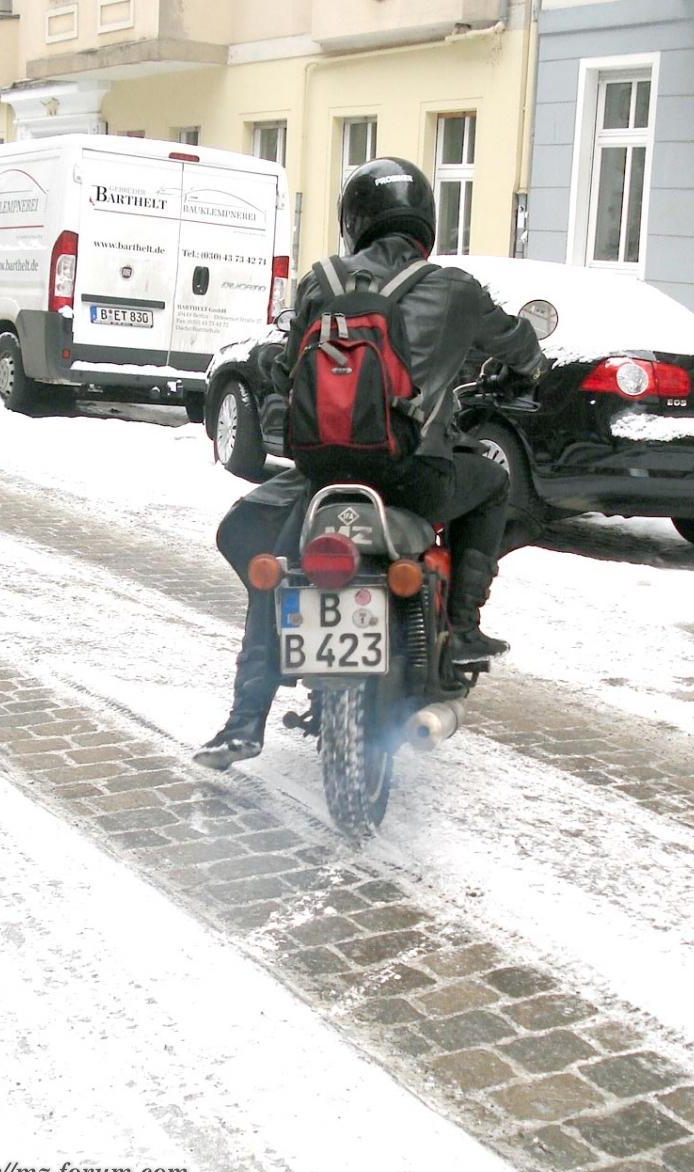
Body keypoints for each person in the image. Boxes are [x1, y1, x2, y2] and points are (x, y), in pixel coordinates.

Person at [195, 157, 547, 771]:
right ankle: (463, 625)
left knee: (274, 567)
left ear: (354, 220)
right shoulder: (456, 289)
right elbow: (518, 344)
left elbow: (286, 364)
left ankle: (245, 720)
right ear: (425, 220)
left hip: (325, 475)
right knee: (492, 481)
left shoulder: (320, 282)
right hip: (416, 475)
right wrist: (526, 367)